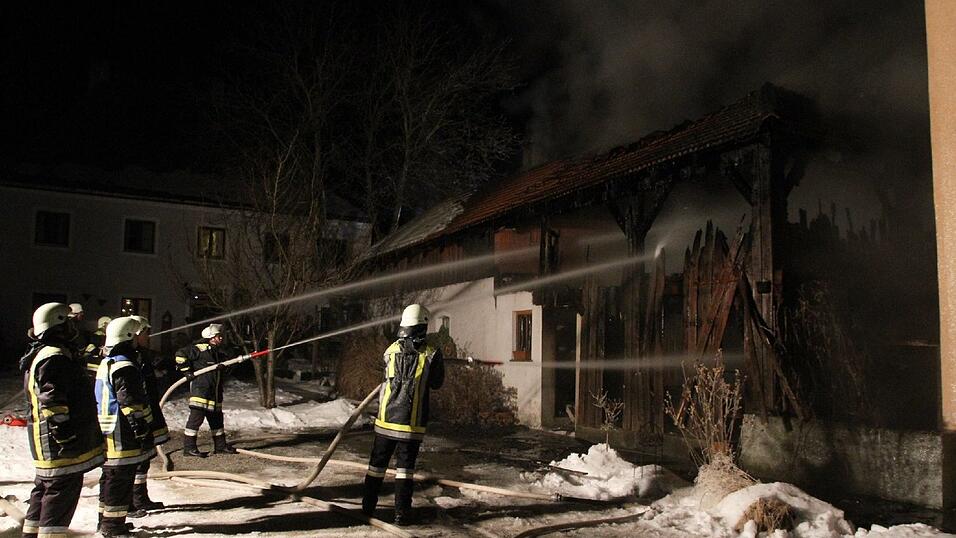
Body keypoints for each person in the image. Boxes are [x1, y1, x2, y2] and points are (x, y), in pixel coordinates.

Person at [19, 303, 105, 537]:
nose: (72, 326)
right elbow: (53, 399)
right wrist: (64, 433)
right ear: (58, 326)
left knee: (44, 491)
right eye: (68, 322)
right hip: (57, 443)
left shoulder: (43, 353)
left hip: (46, 439)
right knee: (60, 495)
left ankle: (30, 534)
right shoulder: (54, 357)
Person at [362, 304, 444, 526]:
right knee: (404, 470)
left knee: (376, 466)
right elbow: (437, 383)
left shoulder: (389, 351)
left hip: (385, 420)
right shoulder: (431, 355)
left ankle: (367, 508)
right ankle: (401, 515)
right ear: (423, 327)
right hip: (411, 423)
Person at [95, 316, 157, 536]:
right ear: (130, 337)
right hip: (122, 431)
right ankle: (112, 527)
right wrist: (141, 428)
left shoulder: (109, 361)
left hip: (110, 430)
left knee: (111, 478)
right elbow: (129, 402)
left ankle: (105, 521)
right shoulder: (125, 365)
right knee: (119, 481)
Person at [174, 323, 237, 457]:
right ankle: (189, 448)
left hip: (214, 393)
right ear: (211, 337)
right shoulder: (199, 349)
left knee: (217, 421)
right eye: (218, 336)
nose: (221, 339)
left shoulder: (216, 352)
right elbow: (180, 355)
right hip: (201, 391)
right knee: (195, 420)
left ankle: (220, 446)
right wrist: (187, 372)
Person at [127, 315, 168, 514]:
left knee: (143, 460)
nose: (149, 336)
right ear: (135, 333)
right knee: (131, 463)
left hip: (145, 414)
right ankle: (128, 503)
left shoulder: (141, 355)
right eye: (145, 332)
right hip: (134, 420)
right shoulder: (129, 358)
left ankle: (139, 498)